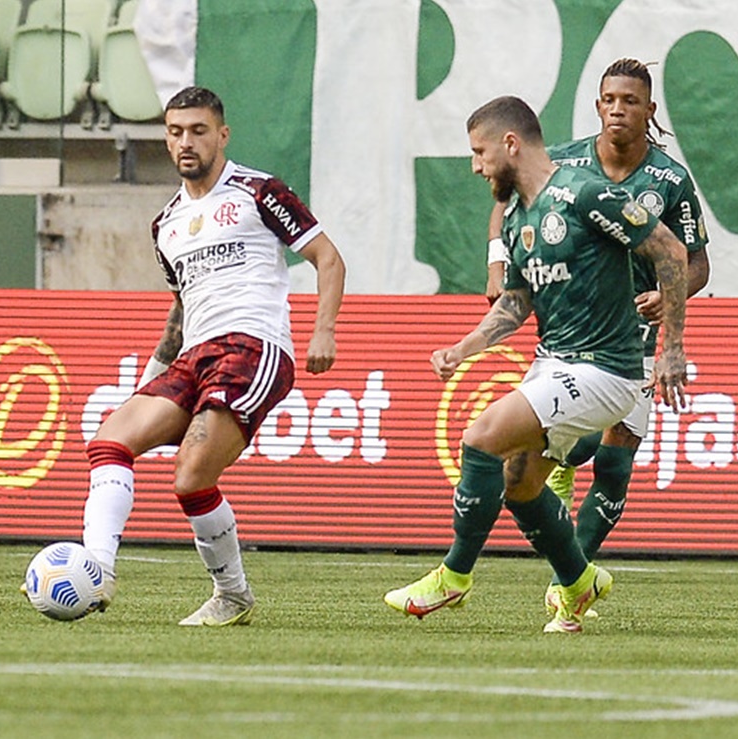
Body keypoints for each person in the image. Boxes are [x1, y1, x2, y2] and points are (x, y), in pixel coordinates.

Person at [384, 95, 689, 633]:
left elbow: (670, 251)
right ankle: (578, 580)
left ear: (510, 144)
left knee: (481, 436)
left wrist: (672, 346)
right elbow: (516, 303)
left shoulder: (587, 192)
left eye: (479, 153)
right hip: (555, 365)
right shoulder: (521, 216)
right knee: (519, 483)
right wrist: (465, 348)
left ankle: (453, 579)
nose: (476, 167)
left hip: (609, 369)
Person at [75, 86, 345, 626]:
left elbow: (327, 257)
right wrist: (149, 380)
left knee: (190, 474)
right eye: (175, 132)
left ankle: (232, 594)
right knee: (109, 439)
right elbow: (179, 313)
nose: (186, 142)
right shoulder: (166, 223)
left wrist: (324, 332)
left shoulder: (257, 190)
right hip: (193, 355)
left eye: (198, 131)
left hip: (253, 345)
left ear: (221, 134)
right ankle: (96, 568)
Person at [485, 59, 710, 617]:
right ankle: (570, 535)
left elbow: (696, 263)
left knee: (616, 460)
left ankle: (571, 583)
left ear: (649, 110)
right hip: (569, 330)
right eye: (609, 98)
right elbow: (505, 202)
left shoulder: (670, 180)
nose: (618, 108)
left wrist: (671, 297)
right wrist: (497, 259)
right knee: (566, 444)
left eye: (630, 101)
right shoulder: (562, 161)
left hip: (631, 334)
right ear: (597, 105)